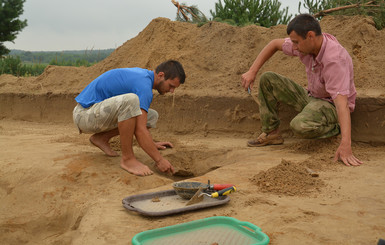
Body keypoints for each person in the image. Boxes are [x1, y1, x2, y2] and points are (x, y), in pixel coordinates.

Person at [241, 14, 362, 167]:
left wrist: (346, 144)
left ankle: (335, 129)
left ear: (310, 36)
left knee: (299, 125)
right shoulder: (306, 46)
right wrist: (252, 71)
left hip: (330, 106)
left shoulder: (334, 60)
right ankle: (272, 133)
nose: (294, 47)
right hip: (312, 96)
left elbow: (342, 104)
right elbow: (274, 44)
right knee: (268, 79)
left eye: (296, 42)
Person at [73, 60, 186, 176]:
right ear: (161, 75)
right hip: (84, 114)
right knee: (131, 101)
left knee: (151, 116)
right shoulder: (144, 86)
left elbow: (139, 122)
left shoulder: (145, 77)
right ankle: (128, 159)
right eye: (171, 86)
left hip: (95, 114)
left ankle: (101, 138)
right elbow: (140, 130)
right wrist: (160, 160)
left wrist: (151, 144)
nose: (172, 91)